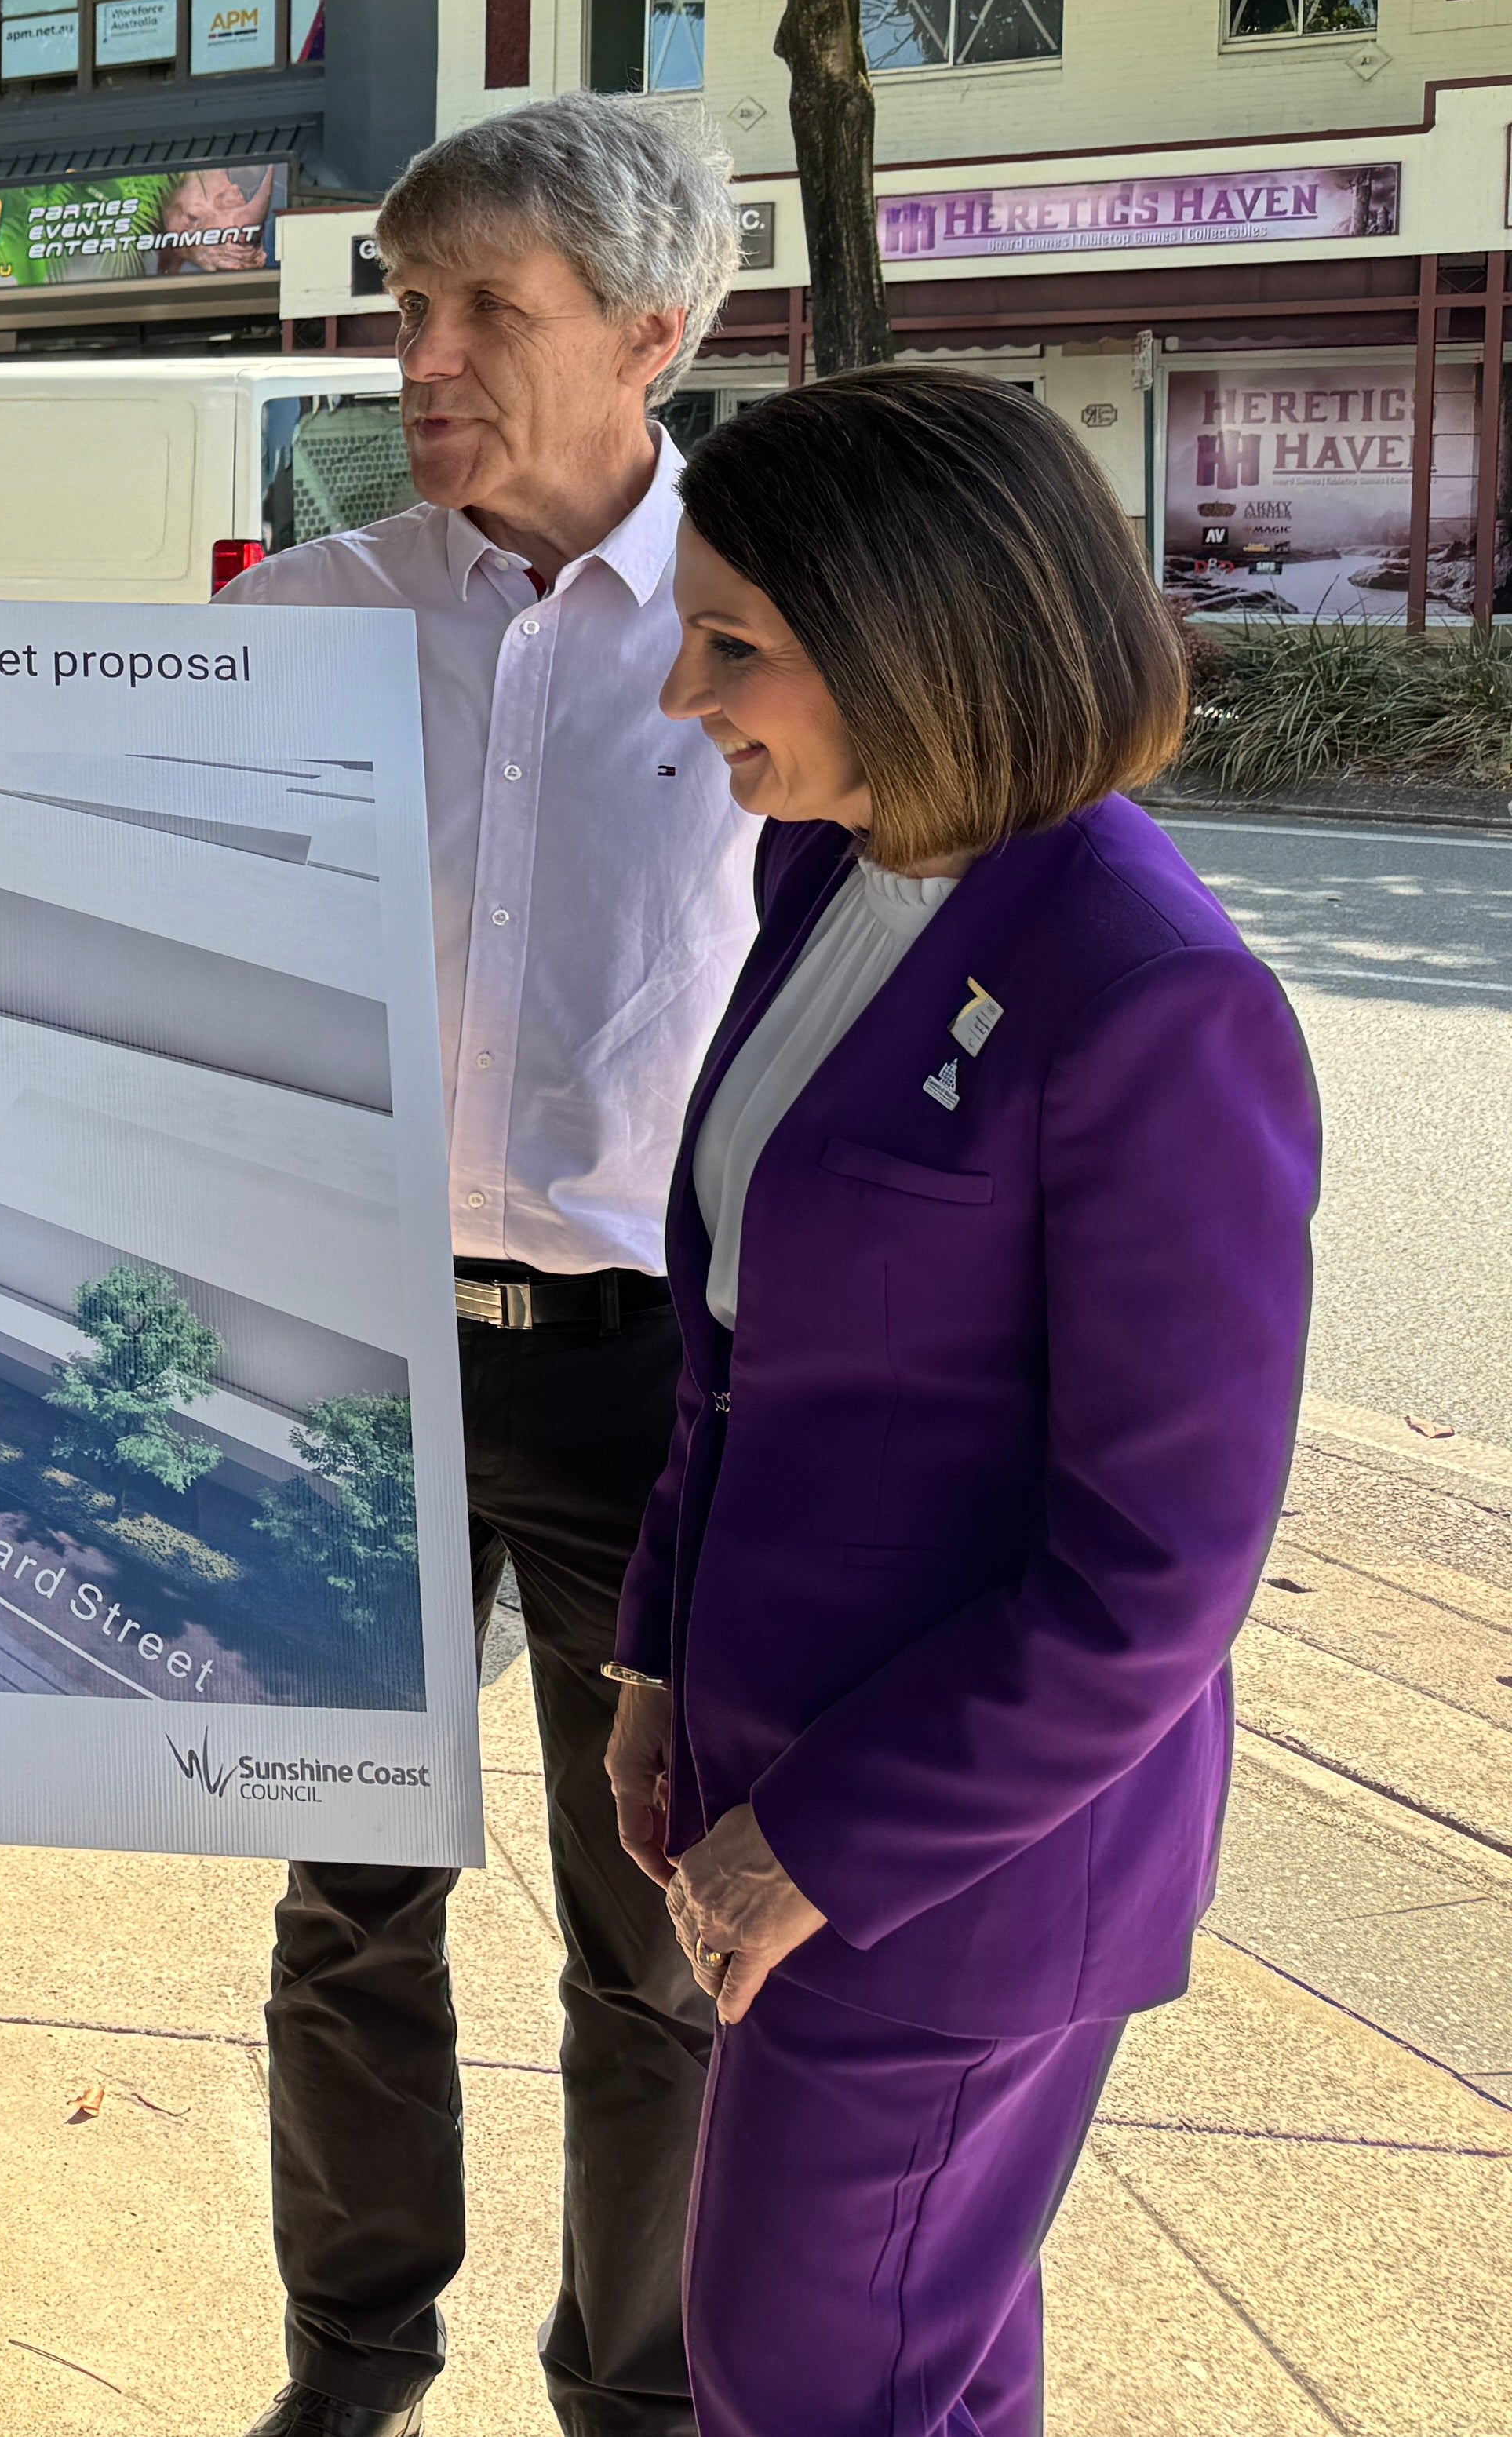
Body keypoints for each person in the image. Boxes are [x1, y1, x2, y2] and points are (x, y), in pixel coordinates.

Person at [0, 91, 757, 2437]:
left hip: (662, 1377)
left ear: (652, 329)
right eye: (409, 306)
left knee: (662, 1952)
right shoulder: (304, 620)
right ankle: (349, 2360)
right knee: (349, 1904)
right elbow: (26, 748)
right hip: (361, 1351)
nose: (425, 355)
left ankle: (637, 2398)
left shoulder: (768, 623)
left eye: (486, 309)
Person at [611, 368, 1315, 2435]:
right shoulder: (836, 879)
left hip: (951, 1873)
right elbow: (738, 1341)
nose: (682, 690)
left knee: (817, 2384)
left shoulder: (1155, 997)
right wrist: (655, 1654)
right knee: (904, 2365)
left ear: (915, 636)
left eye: (734, 641)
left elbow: (1154, 1578)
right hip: (787, 1794)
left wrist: (810, 1842)